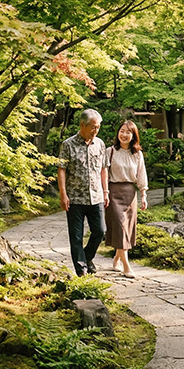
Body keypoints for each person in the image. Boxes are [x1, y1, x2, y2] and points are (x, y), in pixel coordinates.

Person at [58, 109, 109, 276]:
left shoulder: (100, 144)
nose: (95, 131)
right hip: (75, 199)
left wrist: (106, 191)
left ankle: (87, 258)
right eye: (93, 127)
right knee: (76, 237)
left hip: (96, 196)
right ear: (82, 125)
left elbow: (103, 169)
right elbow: (62, 170)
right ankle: (82, 272)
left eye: (98, 127)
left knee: (100, 231)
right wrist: (63, 194)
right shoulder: (68, 144)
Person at [105, 120, 148, 278]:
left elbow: (141, 174)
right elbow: (103, 173)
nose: (124, 135)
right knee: (120, 227)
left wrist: (143, 194)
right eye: (122, 131)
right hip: (113, 192)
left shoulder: (137, 154)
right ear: (118, 133)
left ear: (133, 135)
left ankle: (117, 257)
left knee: (126, 229)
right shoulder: (110, 151)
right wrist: (103, 192)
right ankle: (126, 265)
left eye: (128, 132)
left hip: (130, 193)